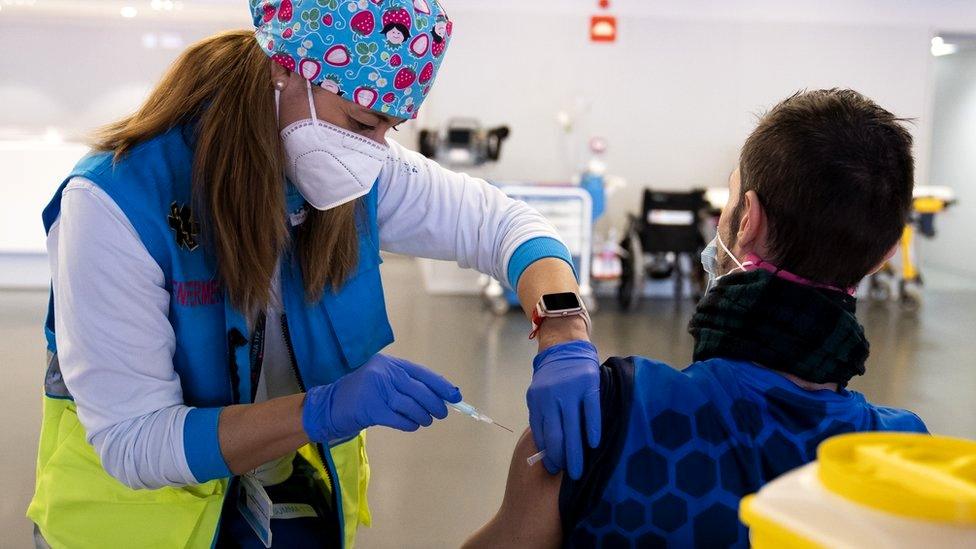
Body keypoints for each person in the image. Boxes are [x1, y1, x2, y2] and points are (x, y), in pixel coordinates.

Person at [27, 1, 601, 547]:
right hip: (137, 526)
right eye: (362, 119)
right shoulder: (117, 203)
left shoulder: (348, 159)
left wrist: (563, 335)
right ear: (285, 70)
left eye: (390, 129)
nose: (374, 151)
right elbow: (133, 441)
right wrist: (320, 410)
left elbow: (505, 226)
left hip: (283, 504)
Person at [463, 89, 929, 549]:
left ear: (747, 220)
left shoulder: (598, 418)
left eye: (731, 199)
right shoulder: (907, 458)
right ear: (884, 257)